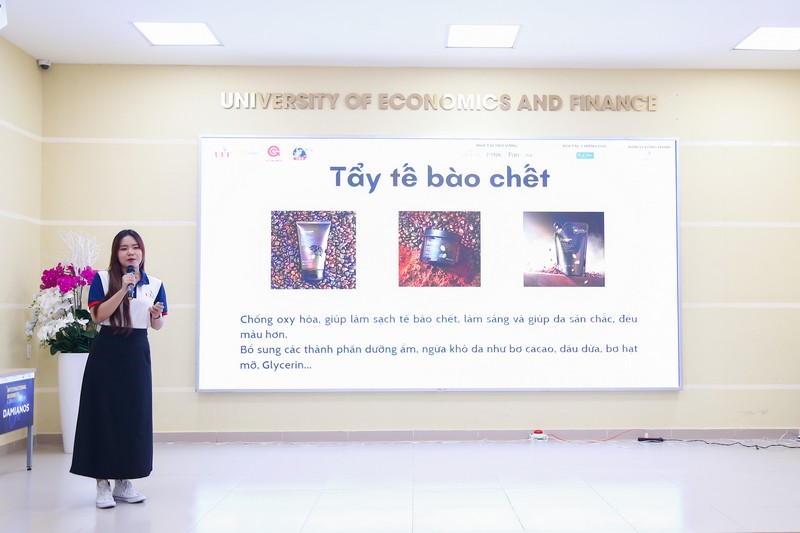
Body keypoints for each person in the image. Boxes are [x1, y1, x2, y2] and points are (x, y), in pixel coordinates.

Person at [70, 229, 168, 509]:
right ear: (116, 253)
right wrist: (123, 289)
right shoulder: (102, 279)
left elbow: (158, 325)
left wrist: (156, 315)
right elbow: (98, 315)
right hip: (107, 350)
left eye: (135, 247)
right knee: (103, 414)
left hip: (137, 353)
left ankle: (124, 481)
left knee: (133, 416)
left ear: (142, 251)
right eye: (124, 248)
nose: (130, 252)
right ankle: (102, 483)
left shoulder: (155, 284)